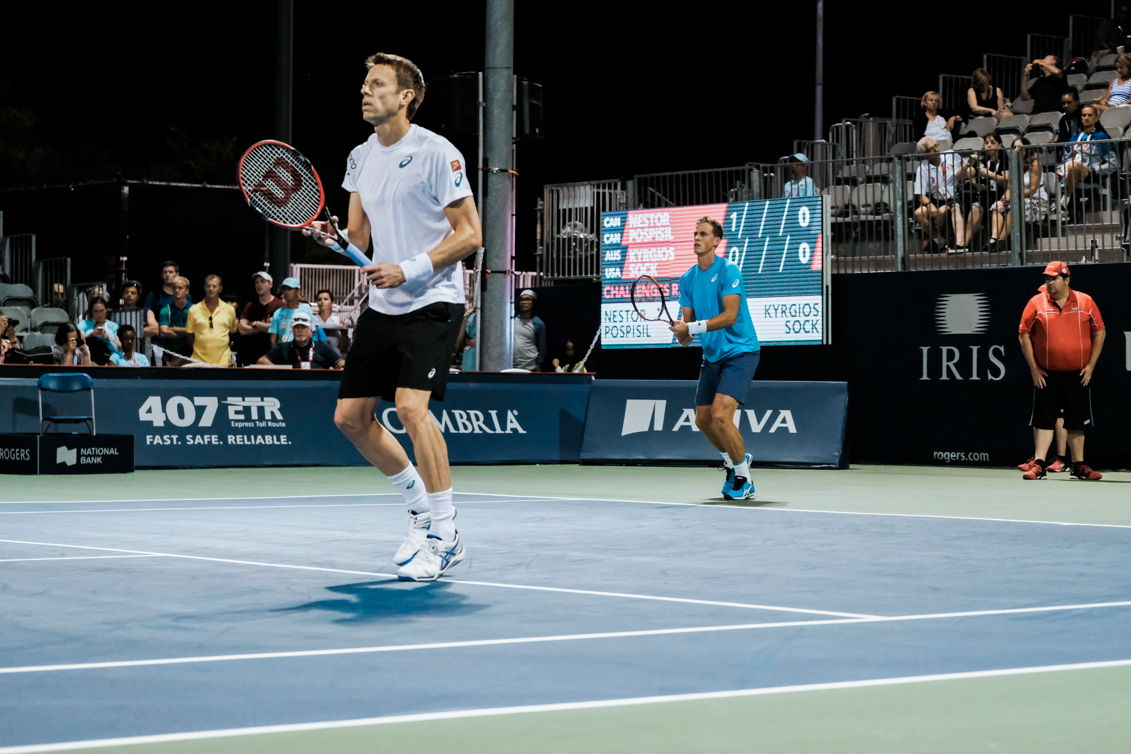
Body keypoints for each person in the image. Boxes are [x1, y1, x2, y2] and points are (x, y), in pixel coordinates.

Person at [303, 52, 482, 582]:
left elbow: (471, 235)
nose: (365, 91)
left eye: (377, 84)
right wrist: (332, 240)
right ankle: (420, 507)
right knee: (350, 419)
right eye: (364, 84)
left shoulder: (436, 153)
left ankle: (446, 533)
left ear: (406, 96)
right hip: (385, 305)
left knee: (409, 407)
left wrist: (409, 268)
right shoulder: (360, 157)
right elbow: (356, 239)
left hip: (433, 300)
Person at [669, 217, 761, 501]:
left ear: (716, 241)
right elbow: (689, 325)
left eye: (703, 234)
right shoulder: (687, 278)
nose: (697, 238)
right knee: (703, 419)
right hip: (712, 356)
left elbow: (730, 316)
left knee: (721, 414)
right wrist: (682, 334)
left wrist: (692, 328)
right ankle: (734, 459)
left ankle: (744, 479)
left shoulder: (728, 270)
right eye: (695, 233)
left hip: (740, 351)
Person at [1018, 261, 1105, 480]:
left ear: (1067, 279)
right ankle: (1038, 465)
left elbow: (1100, 331)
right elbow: (1023, 334)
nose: (1049, 282)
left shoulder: (1086, 301)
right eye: (1047, 278)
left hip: (1077, 374)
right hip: (1047, 374)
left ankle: (1078, 466)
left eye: (1054, 278)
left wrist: (1091, 365)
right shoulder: (1036, 302)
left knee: (1077, 421)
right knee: (1043, 420)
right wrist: (1034, 369)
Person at [912, 138, 977, 252]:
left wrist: (968, 165)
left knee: (941, 212)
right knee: (919, 213)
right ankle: (938, 239)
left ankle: (941, 239)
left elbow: (966, 173)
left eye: (936, 146)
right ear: (925, 154)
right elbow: (920, 194)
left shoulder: (950, 155)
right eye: (931, 149)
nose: (936, 149)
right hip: (935, 198)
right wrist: (929, 204)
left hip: (952, 197)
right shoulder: (922, 168)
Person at [1057, 105, 1118, 219]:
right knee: (1072, 167)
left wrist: (1095, 169)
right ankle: (1065, 202)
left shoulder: (1101, 137)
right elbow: (1065, 159)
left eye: (1090, 115)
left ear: (1096, 118)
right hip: (1070, 170)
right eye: (1084, 115)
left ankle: (1064, 200)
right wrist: (1059, 168)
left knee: (1075, 166)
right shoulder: (1073, 138)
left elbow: (1113, 163)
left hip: (1091, 173)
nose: (1086, 118)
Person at [989, 138, 1048, 251]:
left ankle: (1001, 241)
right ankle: (994, 239)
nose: (1016, 150)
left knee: (1015, 208)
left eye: (1019, 147)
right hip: (1017, 198)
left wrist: (1015, 197)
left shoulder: (1035, 164)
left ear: (1026, 149)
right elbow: (1010, 187)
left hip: (1036, 199)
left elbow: (1033, 189)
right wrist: (1005, 197)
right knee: (998, 206)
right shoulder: (1014, 165)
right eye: (1014, 147)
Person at [258, 311, 344, 369]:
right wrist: (280, 373)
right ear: (292, 330)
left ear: (311, 330)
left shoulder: (321, 347)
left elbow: (340, 363)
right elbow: (261, 361)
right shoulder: (282, 348)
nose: (300, 330)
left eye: (303, 327)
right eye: (296, 327)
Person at [185, 275, 238, 367]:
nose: (211, 289)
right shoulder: (193, 310)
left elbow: (232, 333)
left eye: (214, 286)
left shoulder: (229, 310)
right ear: (204, 288)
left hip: (223, 362)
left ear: (220, 289)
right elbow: (190, 335)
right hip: (199, 362)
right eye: (208, 286)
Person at [236, 271, 284, 366]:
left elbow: (278, 329)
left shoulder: (280, 305)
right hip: (250, 355)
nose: (259, 285)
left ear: (270, 284)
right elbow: (242, 330)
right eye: (257, 282)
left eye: (262, 281)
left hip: (271, 355)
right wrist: (266, 326)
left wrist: (255, 323)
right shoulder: (250, 305)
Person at [268, 277, 319, 346]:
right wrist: (275, 354)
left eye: (289, 289)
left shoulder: (306, 310)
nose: (286, 292)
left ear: (298, 291)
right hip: (283, 351)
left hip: (302, 350)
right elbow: (273, 336)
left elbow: (311, 332)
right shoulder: (278, 312)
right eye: (284, 289)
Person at [158, 276, 194, 360]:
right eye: (174, 288)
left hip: (193, 356)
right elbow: (163, 332)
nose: (177, 290)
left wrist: (173, 328)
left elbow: (196, 332)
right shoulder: (165, 310)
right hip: (172, 356)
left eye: (180, 288)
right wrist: (187, 333)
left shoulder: (195, 310)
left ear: (187, 291)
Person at [78, 297, 121, 364]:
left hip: (109, 357)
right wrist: (90, 335)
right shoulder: (83, 324)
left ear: (106, 310)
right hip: (89, 357)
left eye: (101, 311)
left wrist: (108, 338)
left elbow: (120, 345)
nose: (99, 314)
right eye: (96, 311)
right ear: (91, 312)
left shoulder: (113, 326)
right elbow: (79, 341)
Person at [513, 289, 546, 371]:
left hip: (530, 367)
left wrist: (539, 366)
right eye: (522, 300)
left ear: (533, 303)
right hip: (512, 366)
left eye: (528, 299)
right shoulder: (513, 320)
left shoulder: (538, 323)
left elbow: (542, 347)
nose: (524, 302)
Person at [313, 288, 347, 353]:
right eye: (319, 299)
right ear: (317, 303)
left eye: (326, 299)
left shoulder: (338, 321)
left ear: (332, 303)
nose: (322, 301)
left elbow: (343, 348)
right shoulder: (312, 320)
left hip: (335, 357)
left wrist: (344, 335)